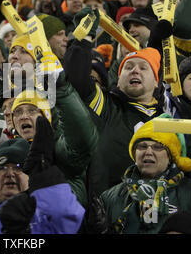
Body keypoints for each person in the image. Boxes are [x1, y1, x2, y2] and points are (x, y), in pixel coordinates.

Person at [64, 14, 165, 196]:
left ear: (156, 82)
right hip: (107, 210)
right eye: (128, 67)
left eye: (143, 68)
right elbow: (77, 79)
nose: (135, 70)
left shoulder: (166, 117)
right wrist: (84, 38)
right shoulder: (106, 106)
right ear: (118, 81)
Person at [93, 116, 191, 234]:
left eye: (157, 147)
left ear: (170, 157)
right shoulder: (110, 197)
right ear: (134, 154)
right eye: (142, 146)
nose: (148, 152)